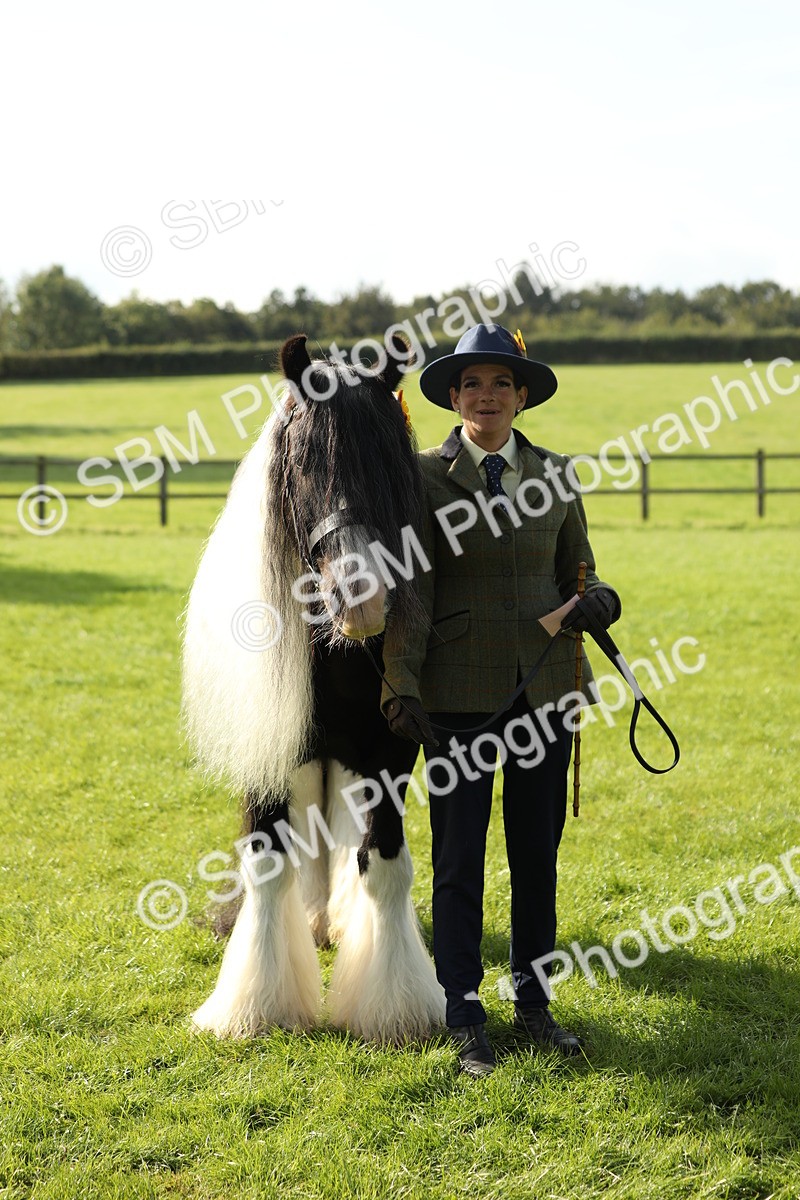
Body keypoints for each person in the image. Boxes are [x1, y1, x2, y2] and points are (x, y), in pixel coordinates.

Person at [380, 323, 621, 1077]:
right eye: (473, 384)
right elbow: (409, 593)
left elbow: (578, 569)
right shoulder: (417, 478)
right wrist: (401, 683)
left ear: (522, 398)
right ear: (454, 397)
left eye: (502, 385)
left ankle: (534, 1003)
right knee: (458, 860)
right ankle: (463, 1012)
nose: (488, 396)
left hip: (546, 689)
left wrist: (602, 600)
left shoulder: (554, 472)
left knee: (535, 857)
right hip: (454, 698)